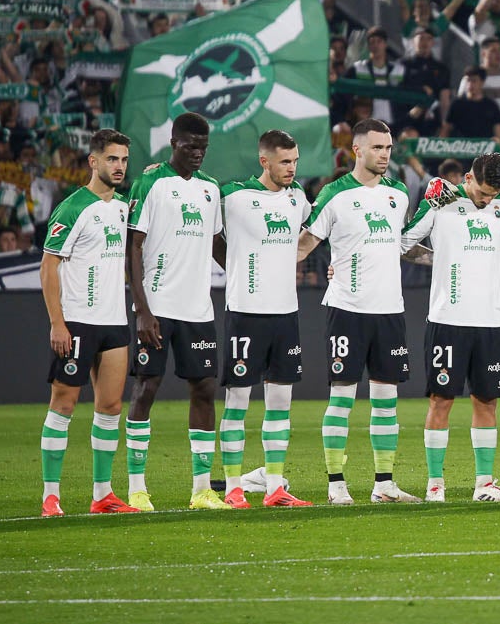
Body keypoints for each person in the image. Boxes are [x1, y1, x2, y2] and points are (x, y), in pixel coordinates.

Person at [296, 118, 419, 505]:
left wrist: (453, 257)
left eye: (389, 147)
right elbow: (304, 245)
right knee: (342, 399)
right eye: (378, 148)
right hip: (347, 309)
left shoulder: (398, 194)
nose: (385, 155)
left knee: (386, 402)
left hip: (390, 311)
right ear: (358, 150)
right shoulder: (334, 194)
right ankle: (336, 486)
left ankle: (384, 485)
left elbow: (400, 247)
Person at [122, 114, 226, 510]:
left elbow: (218, 244)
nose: (197, 152)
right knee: (146, 386)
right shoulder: (151, 182)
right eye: (190, 146)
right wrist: (142, 310)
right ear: (173, 142)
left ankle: (201, 490)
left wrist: (254, 272)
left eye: (203, 146)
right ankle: (137, 488)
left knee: (204, 388)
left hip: (198, 309)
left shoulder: (210, 188)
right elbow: (134, 246)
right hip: (158, 308)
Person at [401, 153, 500, 502]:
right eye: (483, 192)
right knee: (441, 401)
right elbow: (402, 243)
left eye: (493, 194)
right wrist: (437, 258)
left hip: (491, 321)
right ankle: (435, 484)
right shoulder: (441, 202)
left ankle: (485, 484)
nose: (487, 200)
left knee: (487, 402)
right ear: (468, 178)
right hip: (447, 320)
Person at [38, 129, 140, 516]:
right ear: (93, 162)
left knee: (111, 405)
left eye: (124, 160)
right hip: (77, 322)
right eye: (112, 159)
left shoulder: (122, 207)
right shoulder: (72, 207)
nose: (119, 166)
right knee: (63, 403)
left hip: (114, 322)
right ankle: (51, 495)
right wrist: (57, 323)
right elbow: (48, 267)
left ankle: (102, 494)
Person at [212, 130, 314, 508]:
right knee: (237, 402)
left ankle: (274, 487)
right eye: (285, 161)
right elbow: (204, 223)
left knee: (280, 404)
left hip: (286, 314)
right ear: (264, 161)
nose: (292, 168)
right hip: (245, 313)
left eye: (295, 161)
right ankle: (235, 487)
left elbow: (314, 234)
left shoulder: (297, 198)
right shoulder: (234, 196)